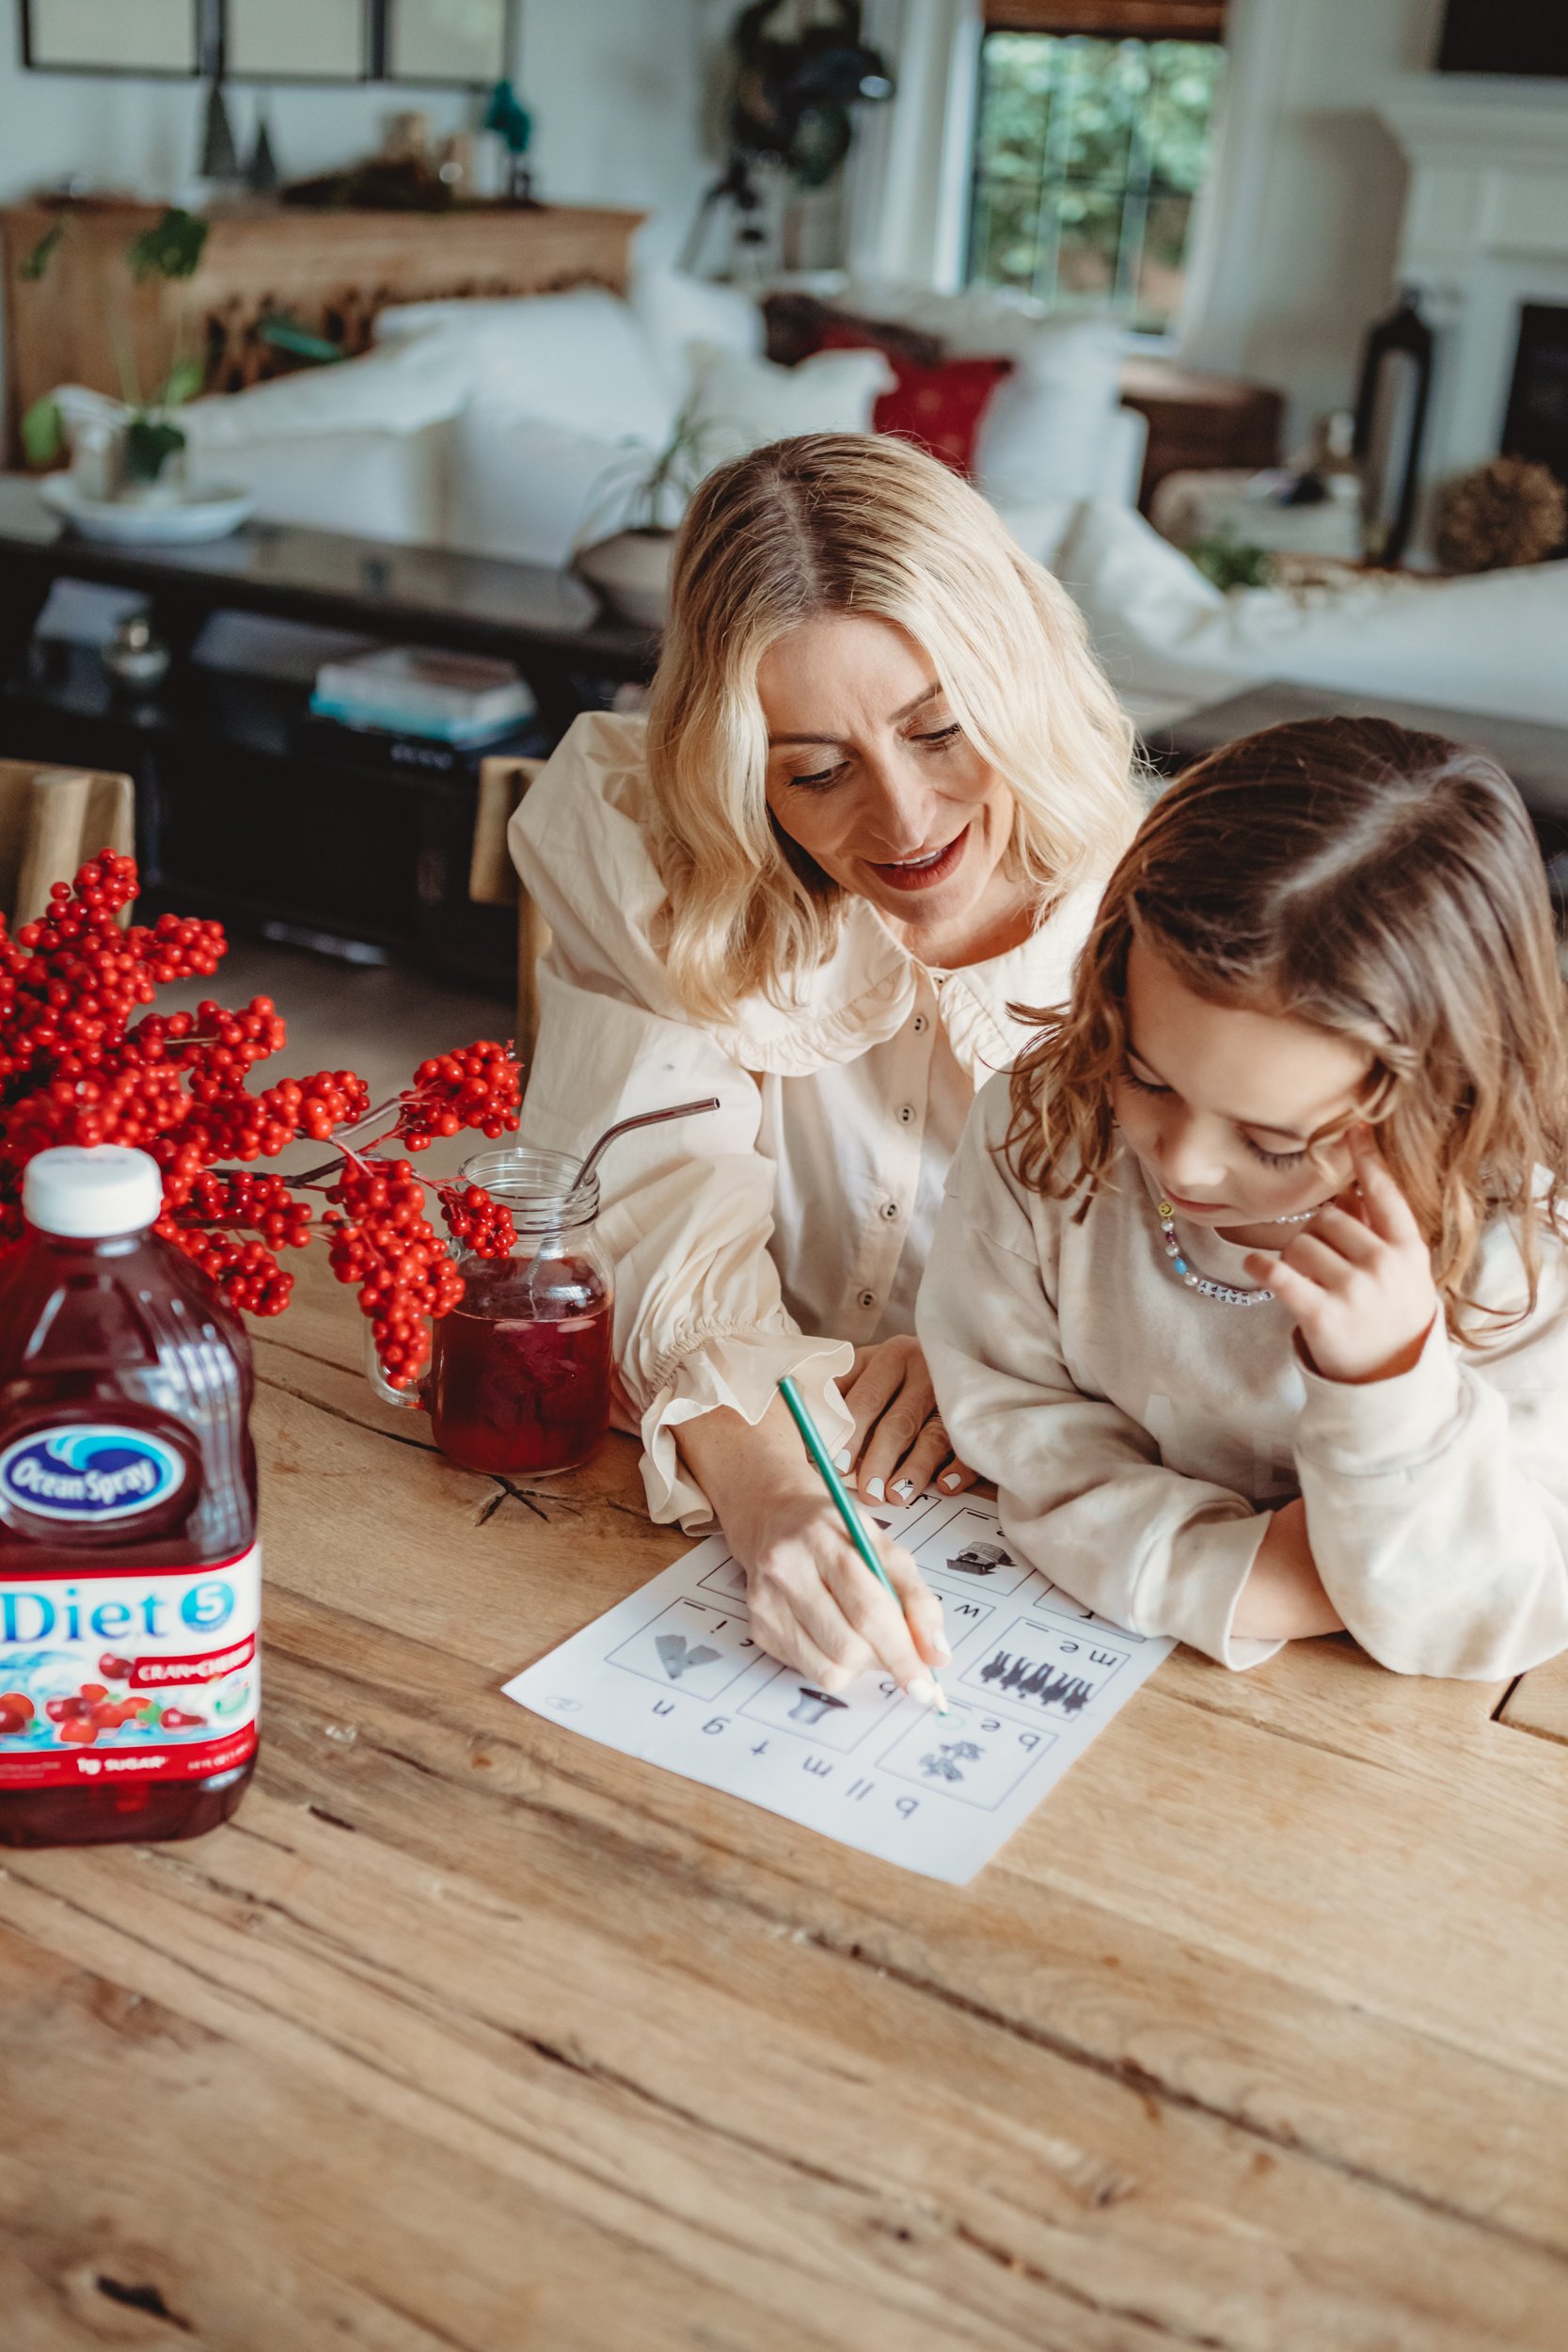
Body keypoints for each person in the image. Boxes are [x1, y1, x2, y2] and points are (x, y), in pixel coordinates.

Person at [511, 433, 1138, 1700]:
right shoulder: (644, 848)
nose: (903, 822)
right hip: (709, 1481)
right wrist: (770, 1506)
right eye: (815, 771)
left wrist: (991, 1364)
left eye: (939, 730)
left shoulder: (1168, 913)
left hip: (1042, 1533)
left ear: (1013, 680)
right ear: (737, 772)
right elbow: (649, 1207)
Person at [918, 716, 1568, 1676]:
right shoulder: (1038, 1131)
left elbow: (1490, 1609)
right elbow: (1020, 1436)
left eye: (1270, 1143)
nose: (1182, 1167)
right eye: (1147, 1078)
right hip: (1099, 1657)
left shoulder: (1518, 1254)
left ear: (1438, 1098)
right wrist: (1271, 1577)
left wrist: (1387, 1379)